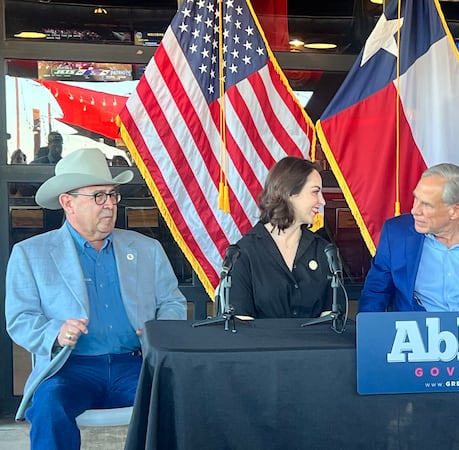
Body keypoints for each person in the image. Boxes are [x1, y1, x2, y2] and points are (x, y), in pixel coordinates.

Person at [5, 147, 187, 450]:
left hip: (136, 364)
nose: (110, 205)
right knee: (49, 406)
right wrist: (56, 332)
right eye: (98, 196)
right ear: (68, 202)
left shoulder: (147, 249)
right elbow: (20, 318)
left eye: (112, 195)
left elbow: (172, 302)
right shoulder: (31, 254)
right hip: (70, 368)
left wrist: (158, 331)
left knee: (181, 399)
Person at [358, 163, 459, 312]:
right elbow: (376, 292)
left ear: (455, 210)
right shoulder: (396, 234)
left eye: (426, 204)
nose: (415, 210)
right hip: (418, 332)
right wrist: (369, 332)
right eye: (416, 199)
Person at [228, 156, 332, 318]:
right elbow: (241, 322)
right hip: (260, 336)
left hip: (315, 336)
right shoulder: (243, 253)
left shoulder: (324, 251)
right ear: (290, 193)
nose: (322, 201)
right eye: (315, 192)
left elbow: (331, 318)